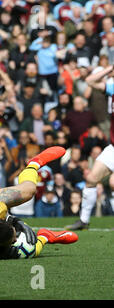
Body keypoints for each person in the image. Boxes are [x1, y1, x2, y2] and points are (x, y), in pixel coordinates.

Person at [66, 65, 114, 230]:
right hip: (113, 148)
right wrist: (110, 68)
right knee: (92, 179)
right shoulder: (112, 88)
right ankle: (84, 221)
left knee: (113, 183)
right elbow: (90, 80)